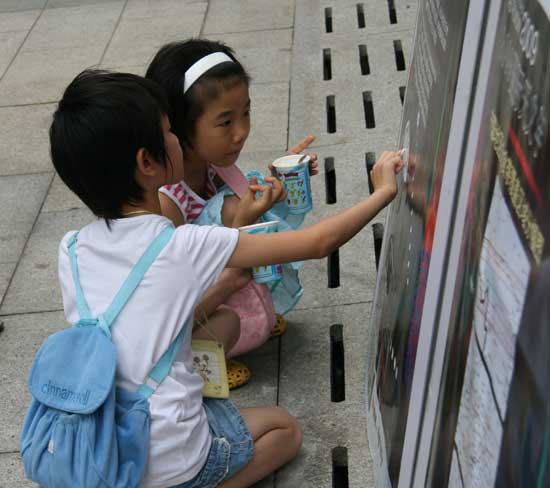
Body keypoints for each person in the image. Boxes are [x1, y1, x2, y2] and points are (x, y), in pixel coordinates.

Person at [50, 69, 402, 488]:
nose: (177, 139)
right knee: (284, 429)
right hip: (173, 457)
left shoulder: (70, 249)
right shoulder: (181, 245)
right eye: (168, 132)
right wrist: (382, 191)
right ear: (147, 162)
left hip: (102, 444)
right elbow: (318, 242)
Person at [145, 40, 319, 385]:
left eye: (246, 113)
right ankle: (202, 366)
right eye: (225, 123)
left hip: (226, 282)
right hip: (197, 310)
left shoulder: (212, 166)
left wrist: (279, 180)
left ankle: (254, 320)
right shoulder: (168, 203)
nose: (241, 132)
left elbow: (238, 212)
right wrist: (239, 225)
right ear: (179, 129)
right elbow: (171, 304)